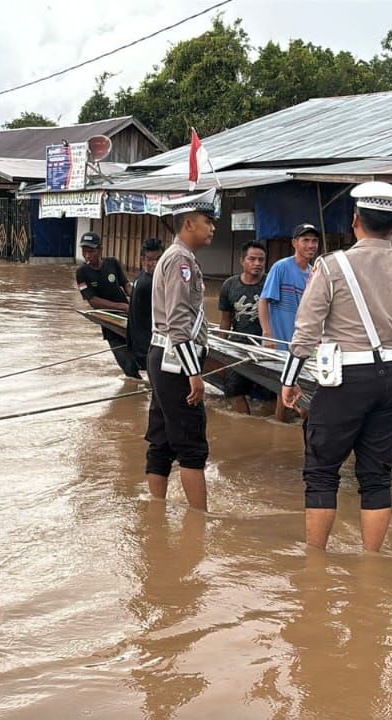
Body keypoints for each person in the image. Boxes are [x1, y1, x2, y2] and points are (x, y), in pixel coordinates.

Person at [279, 182, 392, 552]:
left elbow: (306, 329)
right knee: (377, 476)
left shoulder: (331, 266)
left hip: (344, 379)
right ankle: (371, 565)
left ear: (355, 221)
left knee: (321, 472)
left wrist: (289, 379)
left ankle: (315, 565)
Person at [145, 188, 217, 511]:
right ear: (189, 224)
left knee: (161, 438)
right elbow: (177, 322)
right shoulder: (180, 261)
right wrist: (195, 373)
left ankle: (155, 511)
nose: (213, 227)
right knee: (190, 442)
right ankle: (198, 522)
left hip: (163, 355)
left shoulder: (177, 258)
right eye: (207, 221)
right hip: (176, 360)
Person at [260, 223, 319, 420]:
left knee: (299, 394)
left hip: (301, 344)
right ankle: (278, 432)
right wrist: (267, 334)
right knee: (282, 392)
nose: (311, 245)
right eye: (306, 240)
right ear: (295, 243)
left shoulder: (314, 274)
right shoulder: (281, 267)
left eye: (314, 241)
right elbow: (263, 300)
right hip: (279, 342)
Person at [76, 232, 140, 378]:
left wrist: (139, 297)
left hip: (130, 317)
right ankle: (135, 390)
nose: (87, 255)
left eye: (91, 251)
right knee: (127, 366)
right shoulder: (82, 272)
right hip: (110, 322)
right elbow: (93, 301)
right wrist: (121, 306)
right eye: (84, 251)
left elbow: (126, 286)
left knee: (144, 357)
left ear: (100, 250)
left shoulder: (112, 263)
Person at [218, 241, 268, 413]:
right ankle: (247, 422)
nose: (257, 264)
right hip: (238, 344)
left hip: (265, 345)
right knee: (233, 391)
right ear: (242, 261)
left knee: (270, 392)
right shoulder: (229, 285)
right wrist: (221, 348)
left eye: (261, 260)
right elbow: (225, 320)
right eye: (252, 259)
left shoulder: (270, 283)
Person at [126, 238, 163, 373]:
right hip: (146, 347)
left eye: (158, 259)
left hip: (138, 344)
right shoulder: (151, 283)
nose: (154, 263)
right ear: (143, 259)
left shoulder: (142, 277)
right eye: (150, 259)